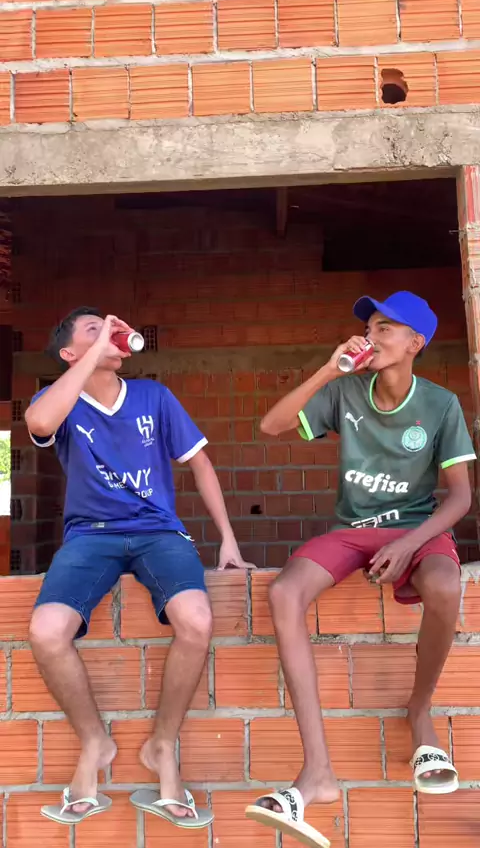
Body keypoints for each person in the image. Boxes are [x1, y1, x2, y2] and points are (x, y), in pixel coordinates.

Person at [245, 291, 476, 848]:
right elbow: (271, 426)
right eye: (369, 327)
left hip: (418, 529)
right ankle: (317, 772)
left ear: (415, 342)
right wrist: (330, 369)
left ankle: (419, 713)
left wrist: (410, 544)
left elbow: (461, 497)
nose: (371, 336)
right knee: (283, 594)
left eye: (385, 328)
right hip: (355, 529)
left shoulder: (441, 404)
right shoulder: (346, 389)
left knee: (446, 584)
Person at [25, 307, 252, 827]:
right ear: (70, 354)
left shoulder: (153, 396)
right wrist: (91, 355)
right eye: (95, 329)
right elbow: (39, 424)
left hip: (158, 532)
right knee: (46, 631)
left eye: (113, 327)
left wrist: (228, 540)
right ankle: (95, 743)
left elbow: (200, 463)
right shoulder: (59, 400)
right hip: (90, 536)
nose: (113, 332)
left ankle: (161, 746)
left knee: (197, 620)